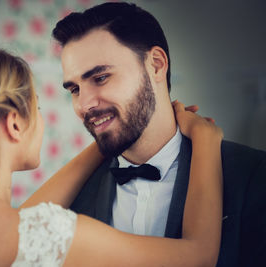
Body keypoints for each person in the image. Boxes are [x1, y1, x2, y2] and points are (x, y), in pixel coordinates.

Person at [0, 45, 223, 267]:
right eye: (36, 108)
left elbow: (25, 221)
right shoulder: (46, 236)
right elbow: (199, 255)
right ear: (15, 123)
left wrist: (110, 136)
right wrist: (206, 138)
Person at [52, 2, 266, 267]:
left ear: (155, 64)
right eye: (74, 89)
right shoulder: (68, 198)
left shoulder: (253, 174)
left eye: (101, 77)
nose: (84, 105)